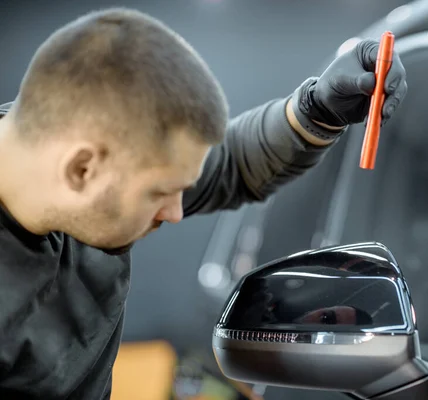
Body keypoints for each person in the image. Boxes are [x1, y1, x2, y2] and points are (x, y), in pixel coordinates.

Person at [0, 7, 407, 400]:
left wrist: (316, 109)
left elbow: (230, 163)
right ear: (82, 169)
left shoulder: (79, 157)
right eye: (159, 194)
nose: (177, 212)